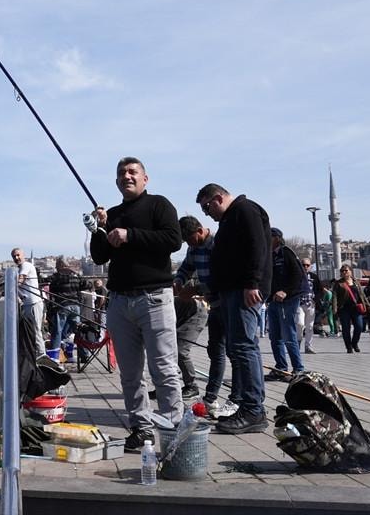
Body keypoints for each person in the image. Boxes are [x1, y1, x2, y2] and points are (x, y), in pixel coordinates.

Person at [91, 157, 184, 450]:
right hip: (120, 301)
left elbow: (173, 240)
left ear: (145, 178)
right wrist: (98, 228)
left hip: (154, 297)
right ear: (117, 181)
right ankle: (141, 428)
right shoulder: (113, 214)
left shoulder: (159, 205)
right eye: (122, 173)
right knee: (130, 374)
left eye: (133, 172)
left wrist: (129, 235)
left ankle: (172, 428)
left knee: (163, 368)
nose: (127, 176)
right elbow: (99, 256)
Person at [198, 182, 271, 435]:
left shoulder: (245, 210)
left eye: (207, 207)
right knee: (240, 346)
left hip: (244, 290)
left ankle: (253, 409)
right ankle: (250, 407)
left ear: (218, 198)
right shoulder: (231, 218)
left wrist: (252, 283)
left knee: (243, 347)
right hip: (232, 290)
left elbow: (257, 246)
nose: (207, 214)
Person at [175, 215, 236, 419]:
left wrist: (195, 289)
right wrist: (179, 280)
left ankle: (238, 399)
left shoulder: (218, 245)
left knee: (235, 353)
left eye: (191, 239)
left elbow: (224, 277)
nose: (189, 244)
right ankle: (210, 398)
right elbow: (186, 267)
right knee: (215, 352)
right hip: (215, 305)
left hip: (229, 303)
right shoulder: (194, 248)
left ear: (200, 231)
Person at [265, 228, 305, 380]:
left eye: (269, 236)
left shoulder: (286, 253)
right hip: (273, 300)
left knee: (288, 334)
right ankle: (281, 368)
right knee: (274, 336)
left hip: (288, 300)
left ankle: (298, 369)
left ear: (277, 238)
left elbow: (298, 275)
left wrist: (285, 291)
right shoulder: (269, 255)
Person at [46, 258, 88, 353]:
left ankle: (55, 355)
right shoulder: (75, 275)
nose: (56, 268)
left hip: (62, 305)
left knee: (57, 331)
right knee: (78, 329)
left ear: (61, 265)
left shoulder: (57, 276)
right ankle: (83, 352)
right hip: (75, 306)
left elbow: (45, 281)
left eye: (57, 266)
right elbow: (86, 285)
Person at [11, 248, 46, 358]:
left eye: (18, 255)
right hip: (26, 304)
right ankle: (33, 353)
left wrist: (9, 285)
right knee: (29, 330)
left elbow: (20, 281)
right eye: (14, 256)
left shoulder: (26, 265)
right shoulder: (19, 269)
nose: (16, 258)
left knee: (36, 329)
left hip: (34, 303)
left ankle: (41, 354)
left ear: (23, 255)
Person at [332, 265, 368, 354]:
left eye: (346, 270)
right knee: (346, 328)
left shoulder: (356, 282)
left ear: (350, 272)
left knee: (359, 326)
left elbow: (362, 295)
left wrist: (368, 306)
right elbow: (334, 297)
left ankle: (354, 343)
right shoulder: (338, 283)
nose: (344, 272)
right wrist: (335, 309)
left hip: (356, 308)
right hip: (344, 309)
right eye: (342, 271)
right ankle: (349, 347)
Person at [299, 256, 322, 354]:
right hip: (299, 304)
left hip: (310, 304)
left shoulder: (314, 277)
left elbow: (320, 290)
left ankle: (308, 346)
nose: (305, 267)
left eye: (307, 265)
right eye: (303, 265)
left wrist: (315, 300)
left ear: (310, 266)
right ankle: (298, 342)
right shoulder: (296, 276)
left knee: (310, 326)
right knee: (300, 324)